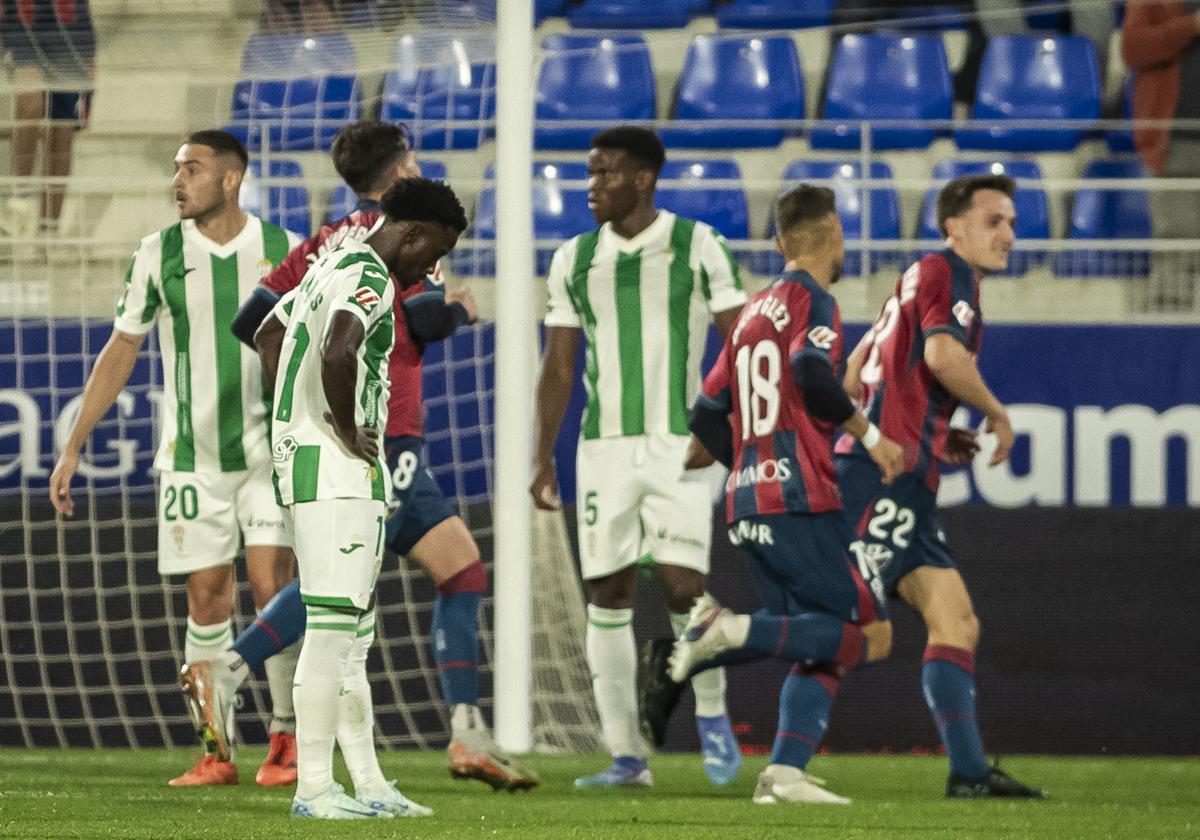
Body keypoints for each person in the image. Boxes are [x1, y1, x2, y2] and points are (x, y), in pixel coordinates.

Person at [214, 120, 537, 791]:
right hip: (378, 431)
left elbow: (254, 321)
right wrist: (461, 312)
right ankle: (237, 675)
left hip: (348, 431)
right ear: (398, 173)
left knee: (416, 576)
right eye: (413, 159)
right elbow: (415, 320)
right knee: (367, 590)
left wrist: (290, 397)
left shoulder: (324, 243)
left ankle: (452, 736)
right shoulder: (404, 241)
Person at [47, 130, 304, 786]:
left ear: (229, 180)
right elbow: (122, 349)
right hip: (192, 459)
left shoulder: (284, 249)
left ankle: (286, 737)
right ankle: (217, 749)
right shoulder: (157, 253)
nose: (177, 181)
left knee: (274, 584)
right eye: (174, 169)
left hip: (271, 453)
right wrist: (73, 444)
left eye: (192, 168)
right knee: (207, 599)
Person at [646, 184, 903, 805]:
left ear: (781, 241)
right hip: (797, 499)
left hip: (747, 502)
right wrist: (869, 435)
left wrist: (749, 462)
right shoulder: (815, 301)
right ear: (834, 232)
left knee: (813, 636)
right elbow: (812, 372)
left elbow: (707, 412)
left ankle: (784, 775)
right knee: (871, 634)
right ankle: (720, 629)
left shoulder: (752, 313)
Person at [531, 126, 747, 788]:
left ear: (643, 178)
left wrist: (723, 428)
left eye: (605, 174)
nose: (592, 186)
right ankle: (627, 756)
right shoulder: (573, 257)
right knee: (610, 590)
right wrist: (543, 455)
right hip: (604, 449)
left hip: (680, 442)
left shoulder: (698, 245)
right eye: (589, 174)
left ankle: (710, 714)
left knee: (684, 587)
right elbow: (559, 366)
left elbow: (742, 343)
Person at [254, 176, 466, 819]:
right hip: (336, 470)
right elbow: (340, 346)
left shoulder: (330, 263)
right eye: (434, 251)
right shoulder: (368, 275)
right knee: (331, 633)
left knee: (352, 636)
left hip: (316, 464)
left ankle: (369, 784)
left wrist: (291, 416)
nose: (431, 267)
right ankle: (315, 787)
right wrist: (343, 427)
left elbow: (268, 334)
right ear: (410, 232)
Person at [834, 175, 1045, 799]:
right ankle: (716, 640)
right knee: (850, 633)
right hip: (884, 475)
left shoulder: (915, 279)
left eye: (1011, 222)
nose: (1008, 233)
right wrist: (996, 415)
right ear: (952, 225)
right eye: (993, 221)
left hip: (905, 474)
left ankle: (970, 774)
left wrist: (934, 426)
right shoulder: (946, 274)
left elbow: (852, 374)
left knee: (956, 621)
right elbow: (943, 358)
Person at [1123, 1, 1200, 307]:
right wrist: (1192, 26)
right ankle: (1169, 329)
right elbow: (1133, 49)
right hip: (1176, 141)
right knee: (1176, 243)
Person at [0, 0, 95, 231]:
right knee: (30, 101)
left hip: (70, 22)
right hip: (20, 17)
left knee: (62, 127)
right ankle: (20, 198)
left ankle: (49, 228)